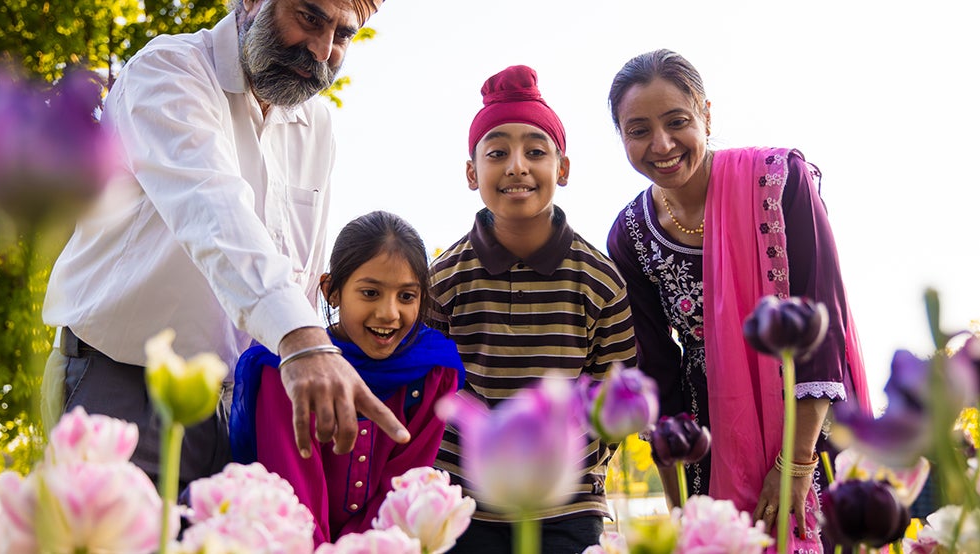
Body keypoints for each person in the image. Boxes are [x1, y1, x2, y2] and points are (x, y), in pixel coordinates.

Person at [39, 0, 409, 492]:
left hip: (244, 406)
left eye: (343, 34)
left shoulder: (316, 127)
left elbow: (299, 268)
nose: (321, 51)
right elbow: (212, 212)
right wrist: (300, 339)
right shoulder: (168, 71)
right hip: (122, 388)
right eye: (310, 17)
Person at [605, 49, 872, 550]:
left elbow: (824, 318)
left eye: (677, 121)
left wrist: (795, 465)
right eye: (637, 130)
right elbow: (656, 372)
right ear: (621, 137)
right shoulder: (629, 234)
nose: (661, 144)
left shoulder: (778, 181)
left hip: (811, 416)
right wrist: (682, 511)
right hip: (713, 434)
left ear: (706, 114)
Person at [429, 64, 637, 554]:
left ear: (561, 169)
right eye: (497, 152)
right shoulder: (443, 279)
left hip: (567, 507)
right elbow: (433, 389)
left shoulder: (600, 280)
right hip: (465, 503)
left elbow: (614, 394)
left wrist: (566, 464)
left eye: (536, 152)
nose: (517, 166)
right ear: (471, 171)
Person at [229, 210, 465, 546]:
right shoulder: (290, 372)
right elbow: (291, 492)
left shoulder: (431, 375)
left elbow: (402, 494)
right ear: (331, 291)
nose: (389, 313)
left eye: (407, 296)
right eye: (370, 293)